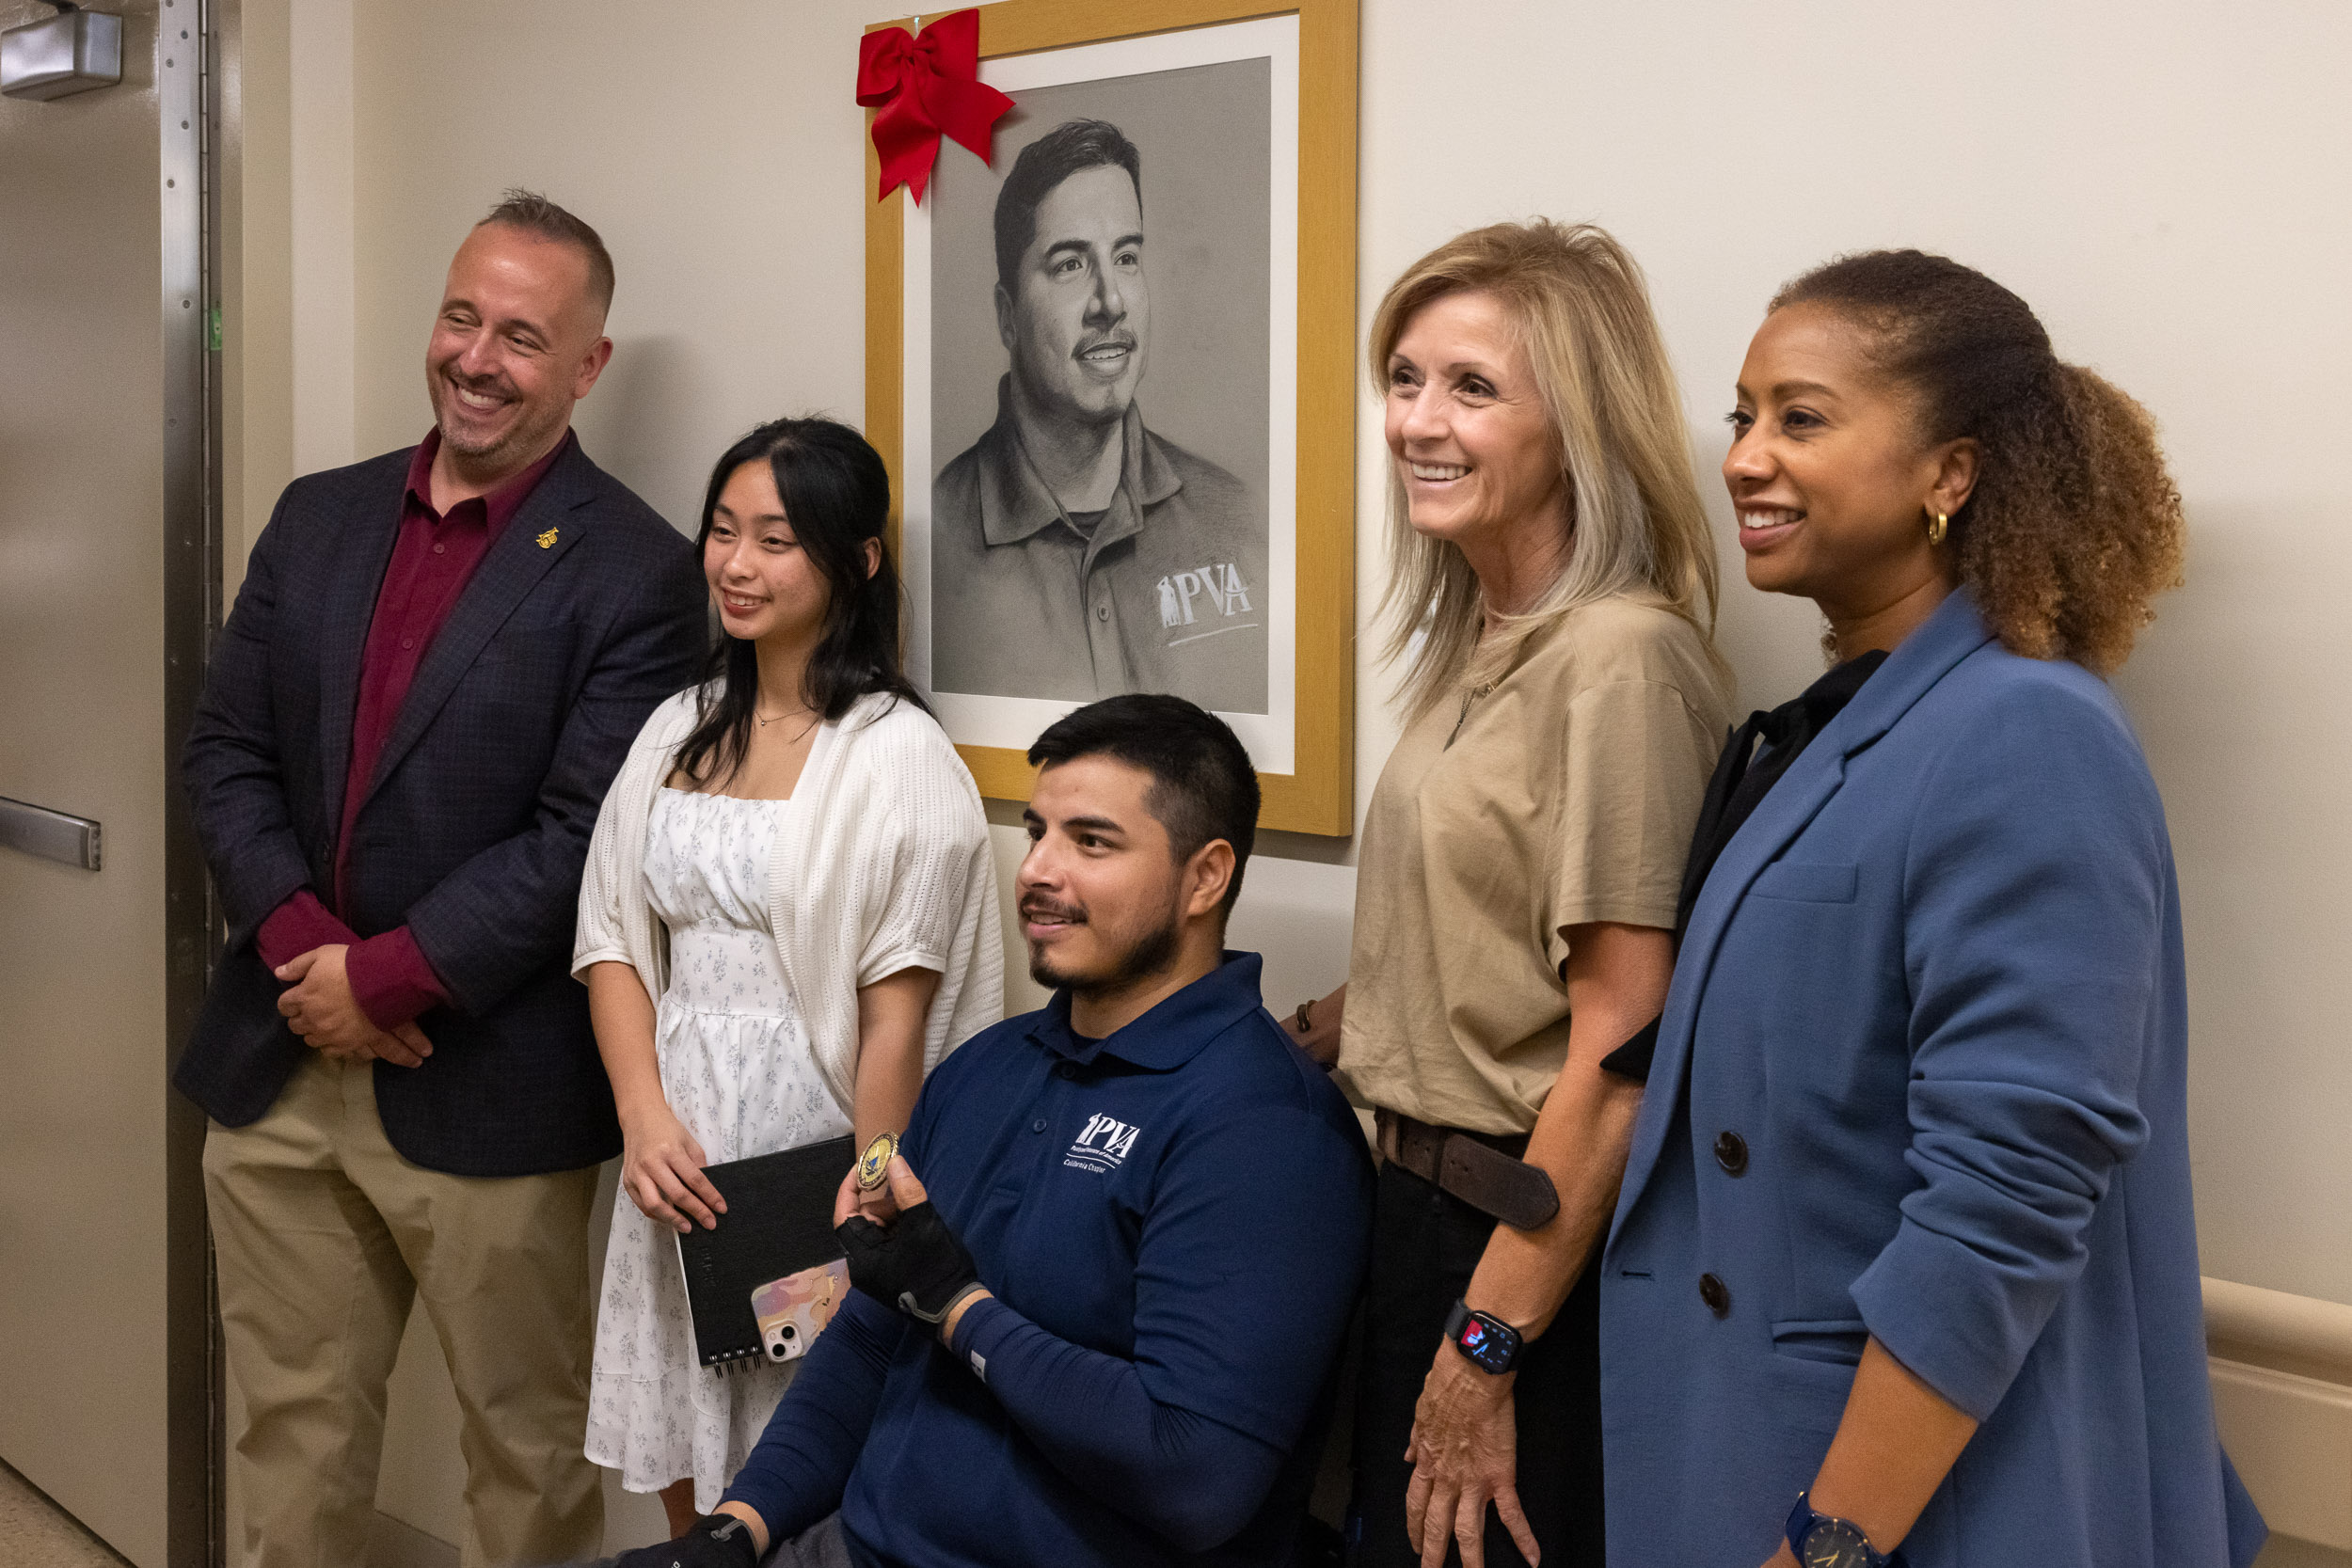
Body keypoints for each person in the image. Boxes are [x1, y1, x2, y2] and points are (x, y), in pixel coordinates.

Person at [1597, 250, 2267, 1567]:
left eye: (1802, 416)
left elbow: (2004, 1201)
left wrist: (1833, 1542)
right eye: (1744, 415)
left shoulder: (2025, 729)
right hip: (1745, 1436)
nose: (1743, 457)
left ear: (1948, 474)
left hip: (1903, 1498)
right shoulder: (1850, 723)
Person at [176, 191, 707, 1566]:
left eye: (521, 336)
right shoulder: (320, 516)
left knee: (521, 1458)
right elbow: (227, 751)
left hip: (490, 1089)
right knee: (286, 1443)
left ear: (587, 365)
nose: (476, 358)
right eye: (461, 317)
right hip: (283, 1064)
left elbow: (584, 831)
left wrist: (390, 977)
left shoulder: (640, 572)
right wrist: (314, 959)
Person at [591, 694, 1374, 1568]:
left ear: (1206, 876)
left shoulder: (1265, 1130)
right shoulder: (983, 1069)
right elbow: (864, 1340)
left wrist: (961, 1307)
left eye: (1091, 841)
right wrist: (737, 1528)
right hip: (855, 1543)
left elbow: (1194, 1475)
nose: (1038, 868)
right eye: (1036, 831)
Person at [1286, 220, 1731, 1568]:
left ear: (1575, 424)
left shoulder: (1621, 659)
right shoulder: (1483, 635)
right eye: (1407, 378)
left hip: (1518, 1246)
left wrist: (1485, 1345)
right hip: (1406, 1211)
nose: (1420, 420)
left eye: (1472, 386)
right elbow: (1495, 944)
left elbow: (1623, 1048)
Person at [571, 417, 1003, 1530]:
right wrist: (641, 1113)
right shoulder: (677, 725)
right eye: (723, 531)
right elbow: (612, 932)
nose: (738, 563)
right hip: (675, 1146)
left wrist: (872, 1182)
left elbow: (898, 1014)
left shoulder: (896, 754)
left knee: (803, 1465)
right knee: (682, 1450)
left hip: (811, 1146)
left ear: (856, 561)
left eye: (776, 538)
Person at [931, 118, 1266, 713]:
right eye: (1070, 264)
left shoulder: (1238, 523)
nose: (1110, 302)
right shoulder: (935, 539)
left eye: (1127, 257)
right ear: (1007, 316)